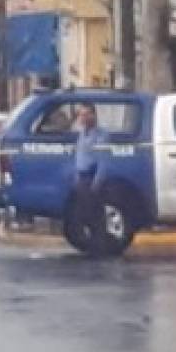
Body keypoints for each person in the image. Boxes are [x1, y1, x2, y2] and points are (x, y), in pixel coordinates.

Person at [69, 104, 108, 254]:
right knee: (82, 214)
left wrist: (97, 182)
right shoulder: (81, 133)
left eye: (86, 115)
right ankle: (89, 245)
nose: (83, 118)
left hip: (92, 178)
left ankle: (99, 248)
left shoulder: (101, 135)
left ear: (94, 116)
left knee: (96, 216)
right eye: (81, 115)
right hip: (81, 178)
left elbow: (103, 160)